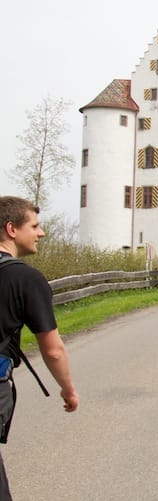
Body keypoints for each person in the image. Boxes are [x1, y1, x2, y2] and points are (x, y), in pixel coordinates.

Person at [0, 196, 79, 500]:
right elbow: (53, 349)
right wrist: (68, 389)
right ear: (11, 229)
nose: (41, 232)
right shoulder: (25, 278)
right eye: (34, 226)